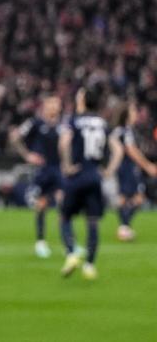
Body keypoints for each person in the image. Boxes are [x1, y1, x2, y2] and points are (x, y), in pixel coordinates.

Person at [58, 87, 123, 280]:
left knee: (64, 218)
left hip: (77, 176)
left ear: (83, 101)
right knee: (92, 222)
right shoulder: (103, 123)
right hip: (95, 176)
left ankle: (71, 253)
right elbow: (118, 150)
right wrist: (109, 171)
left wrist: (67, 165)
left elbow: (63, 142)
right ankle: (90, 266)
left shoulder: (74, 121)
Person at [8, 95, 63, 258]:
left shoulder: (63, 124)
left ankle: (68, 242)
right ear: (46, 106)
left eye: (58, 104)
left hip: (60, 169)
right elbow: (14, 136)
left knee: (64, 203)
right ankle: (40, 242)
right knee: (42, 204)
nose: (56, 107)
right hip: (43, 170)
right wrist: (27, 155)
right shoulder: (35, 123)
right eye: (53, 104)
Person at [113, 101, 157, 241]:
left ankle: (124, 226)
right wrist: (147, 166)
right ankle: (124, 227)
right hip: (127, 168)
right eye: (133, 111)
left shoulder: (121, 130)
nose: (135, 114)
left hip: (123, 168)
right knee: (138, 198)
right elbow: (131, 151)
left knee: (124, 198)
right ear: (126, 114)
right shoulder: (125, 131)